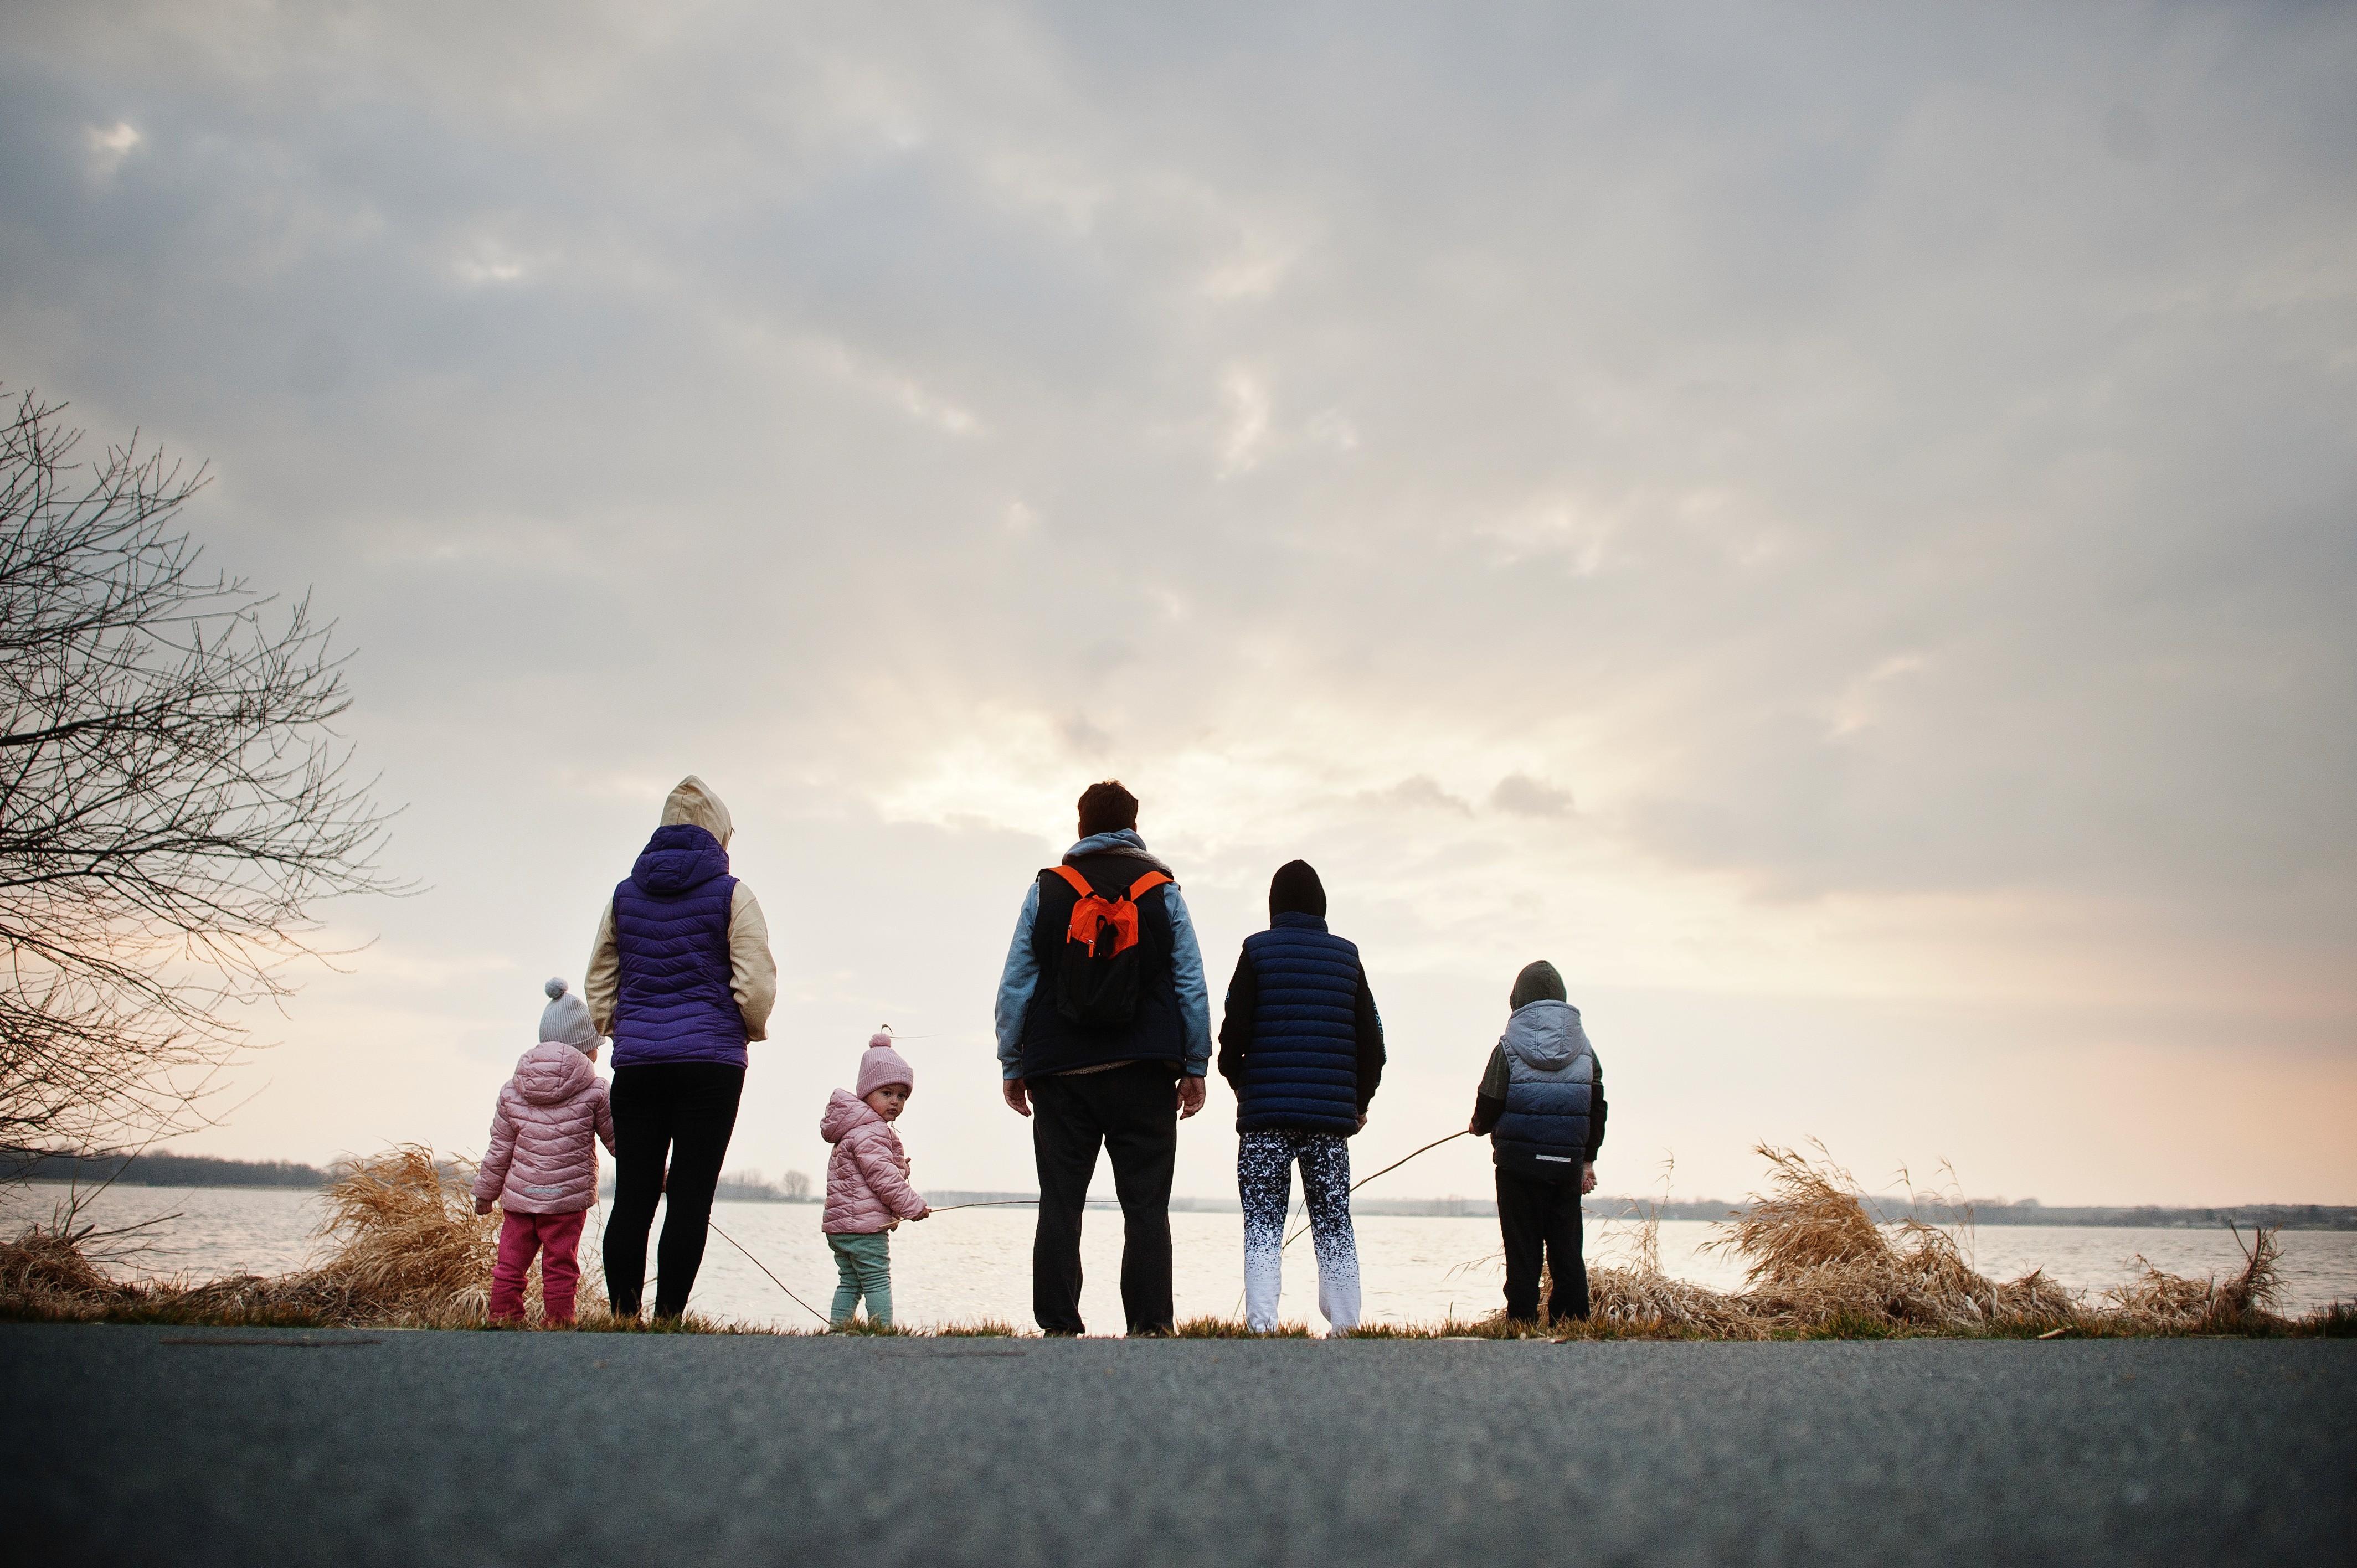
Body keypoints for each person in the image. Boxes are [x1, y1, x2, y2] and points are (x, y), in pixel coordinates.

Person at [994, 780, 1210, 1336]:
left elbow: (1018, 980)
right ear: (1134, 828)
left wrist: (1011, 1061)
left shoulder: (1049, 889)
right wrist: (1194, 1063)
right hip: (1145, 1069)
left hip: (1061, 1073)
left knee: (1060, 1203)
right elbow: (1189, 980)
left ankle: (1060, 1323)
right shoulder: (1160, 890)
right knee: (1145, 1205)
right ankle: (1150, 1324)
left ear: (1080, 828)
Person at [586, 776, 778, 1321]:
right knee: (690, 1196)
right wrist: (749, 1027)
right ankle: (669, 1317)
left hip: (639, 1062)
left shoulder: (623, 895)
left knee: (633, 1197)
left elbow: (600, 977)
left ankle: (624, 1315)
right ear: (719, 833)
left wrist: (614, 1028)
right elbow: (756, 983)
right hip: (711, 1065)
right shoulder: (733, 894)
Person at [1217, 860, 1385, 1334]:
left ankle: (1262, 1325)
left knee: (1264, 1223)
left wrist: (1243, 1086)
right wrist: (1360, 1102)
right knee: (1334, 1221)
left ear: (1274, 906)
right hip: (1330, 1123)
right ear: (1321, 906)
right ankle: (1347, 1326)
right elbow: (1374, 1043)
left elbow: (1233, 1034)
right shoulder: (1347, 958)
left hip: (1264, 1119)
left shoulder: (1256, 951)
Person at [471, 978, 617, 1326]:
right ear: (586, 1048)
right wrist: (659, 1176)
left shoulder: (513, 1090)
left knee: (509, 1263)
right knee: (560, 1265)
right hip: (566, 1201)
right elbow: (620, 1143)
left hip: (520, 1200)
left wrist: (484, 1193)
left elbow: (499, 1150)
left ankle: (503, 1318)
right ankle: (559, 1322)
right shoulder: (596, 1091)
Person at [1466, 960, 1604, 1324]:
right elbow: (1597, 1106)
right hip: (1565, 1167)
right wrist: (1587, 1160)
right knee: (1567, 1250)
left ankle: (1521, 1322)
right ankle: (1573, 1321)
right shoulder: (1586, 1050)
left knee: (1522, 1250)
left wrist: (1479, 1125)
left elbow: (1491, 1099)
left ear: (1518, 999)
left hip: (1518, 1167)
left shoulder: (1508, 1046)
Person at [819, 1033, 930, 1329]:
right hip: (865, 1227)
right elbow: (883, 1179)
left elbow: (872, 1173)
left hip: (840, 1226)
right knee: (878, 1278)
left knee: (851, 1281)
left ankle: (837, 1330)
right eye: (887, 1093)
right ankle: (882, 1334)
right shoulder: (871, 1131)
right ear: (867, 1092)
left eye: (902, 1096)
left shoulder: (851, 1129)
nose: (895, 1102)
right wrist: (913, 1206)